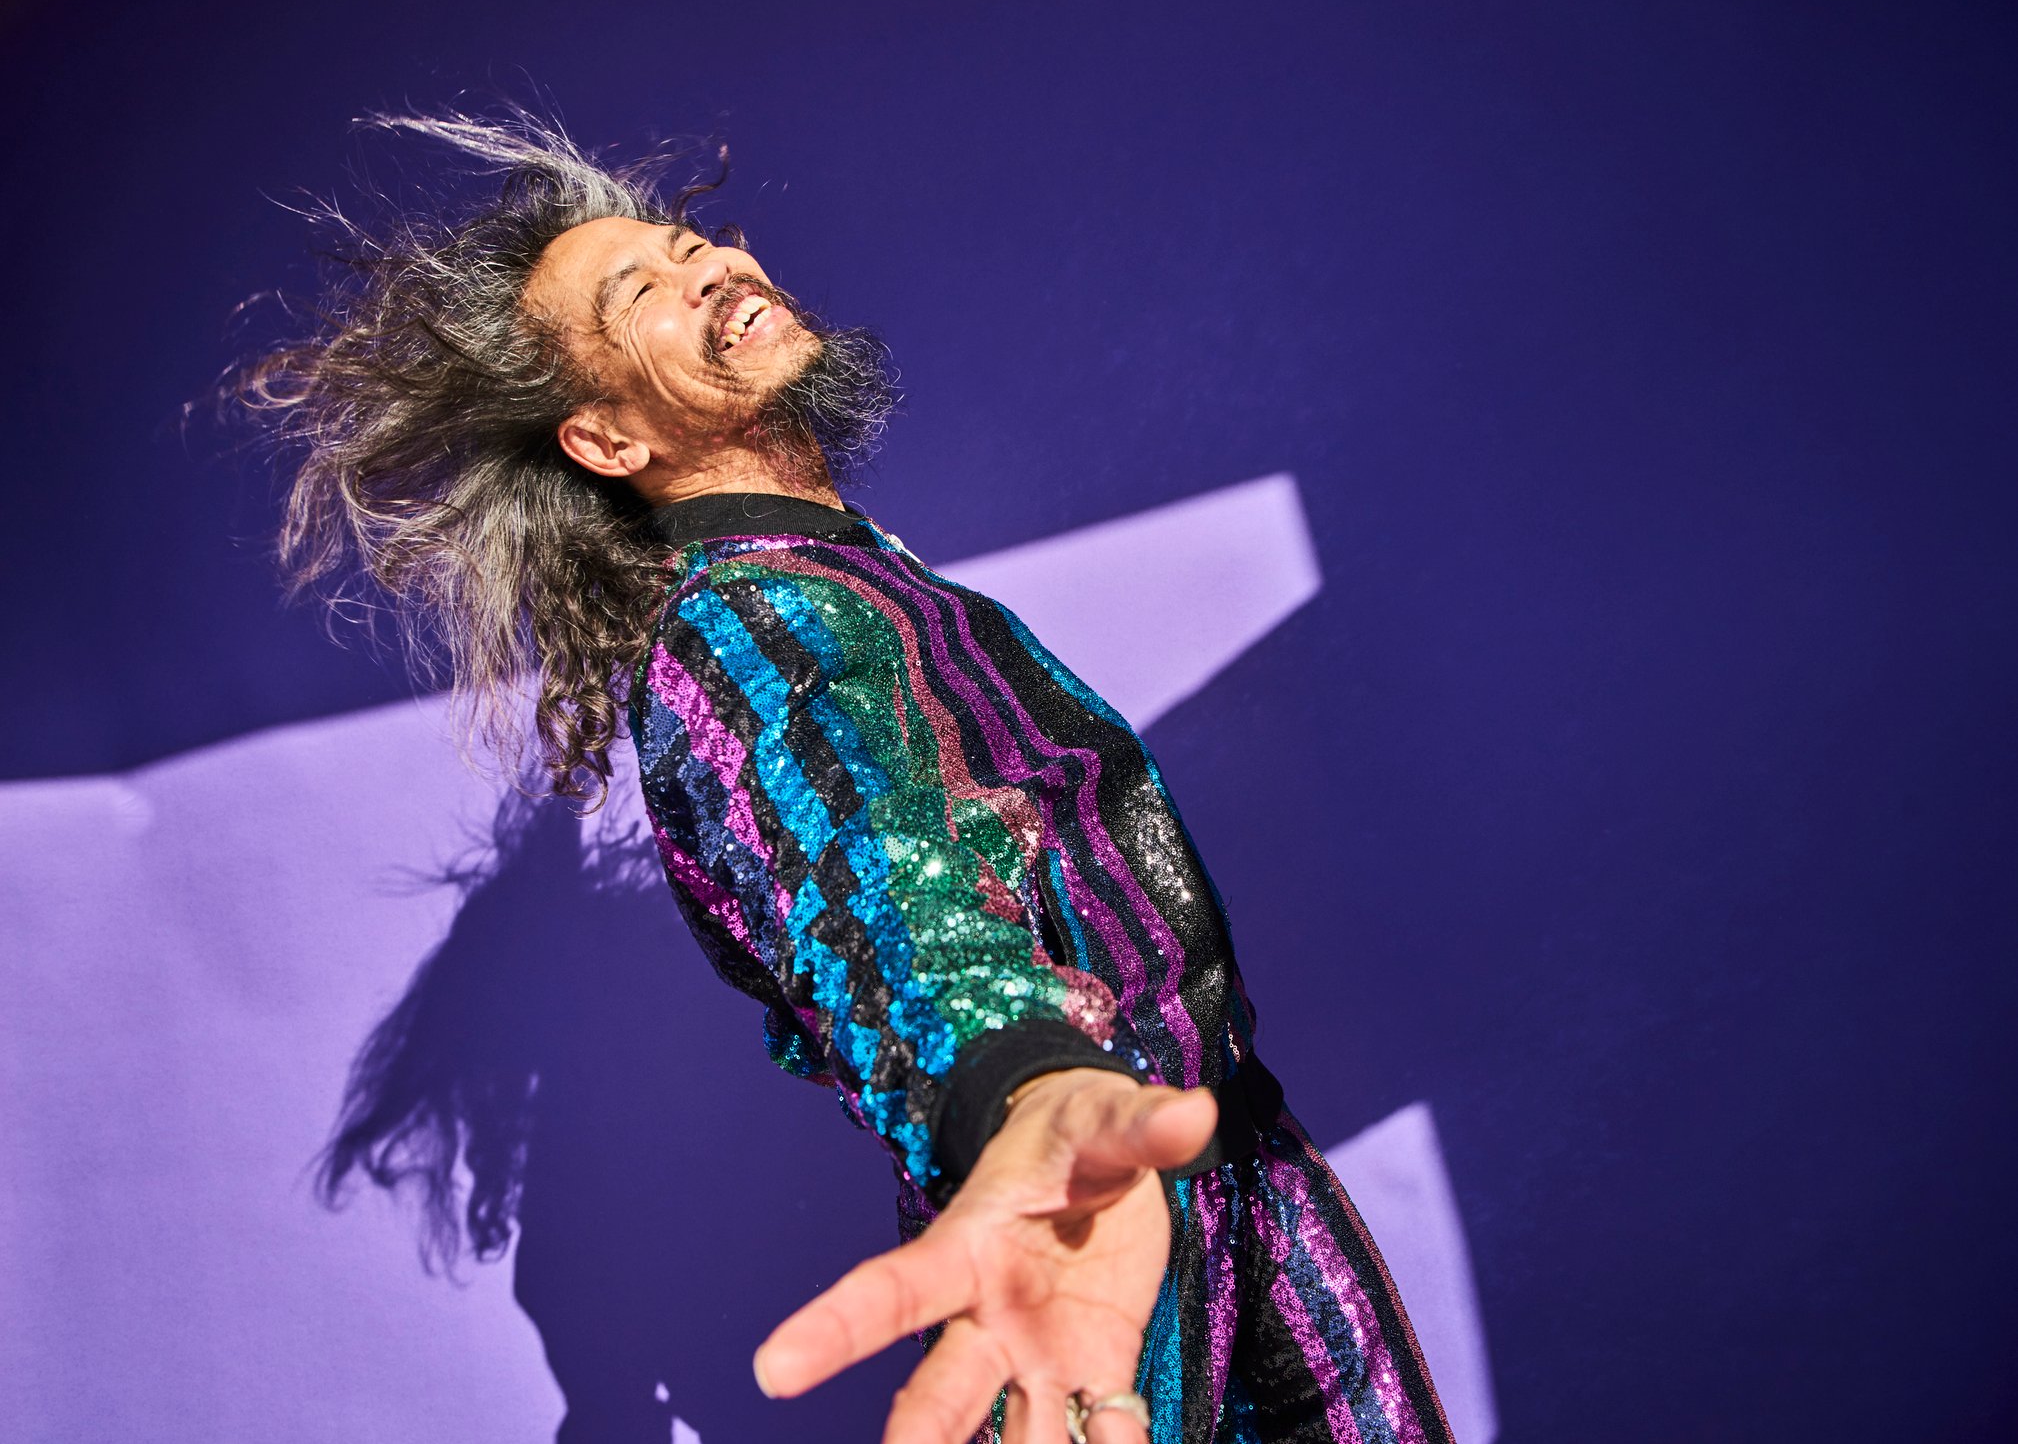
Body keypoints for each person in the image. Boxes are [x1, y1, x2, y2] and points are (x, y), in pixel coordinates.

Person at [242, 107, 1453, 1444]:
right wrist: (1035, 1097)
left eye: (695, 240)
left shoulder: (846, 569)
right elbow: (882, 901)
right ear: (605, 441)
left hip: (1225, 1168)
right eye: (644, 288)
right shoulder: (742, 623)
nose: (709, 265)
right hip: (1082, 1205)